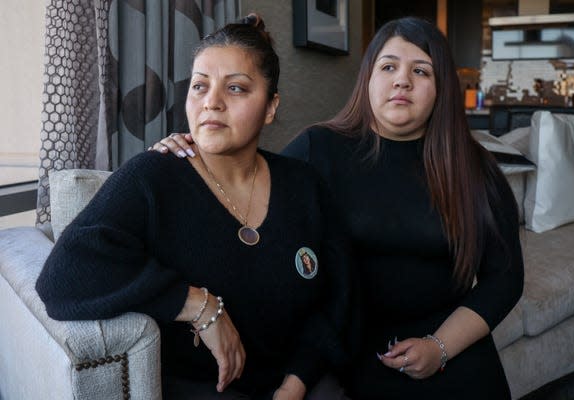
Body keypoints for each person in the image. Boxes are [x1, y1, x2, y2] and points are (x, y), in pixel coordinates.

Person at [150, 16, 524, 399]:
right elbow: (246, 189)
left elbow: (505, 277)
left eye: (421, 71)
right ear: (368, 78)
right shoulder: (320, 149)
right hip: (346, 341)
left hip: (450, 341)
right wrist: (198, 149)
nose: (402, 81)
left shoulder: (474, 168)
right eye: (389, 66)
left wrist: (439, 347)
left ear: (442, 86)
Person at [36, 14, 352, 400]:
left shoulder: (304, 184)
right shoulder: (153, 175)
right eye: (199, 86)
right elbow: (62, 278)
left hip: (303, 382)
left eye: (236, 89)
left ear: (271, 107)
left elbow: (338, 297)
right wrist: (198, 305)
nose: (212, 103)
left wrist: (297, 382)